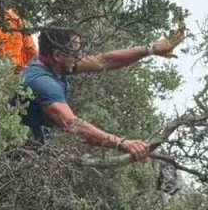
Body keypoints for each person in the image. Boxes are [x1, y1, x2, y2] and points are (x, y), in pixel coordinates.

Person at [21, 25, 187, 161]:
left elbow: (104, 61)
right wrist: (122, 143)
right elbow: (73, 125)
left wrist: (151, 50)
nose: (79, 56)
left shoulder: (53, 63)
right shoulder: (41, 82)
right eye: (74, 52)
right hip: (15, 153)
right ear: (57, 55)